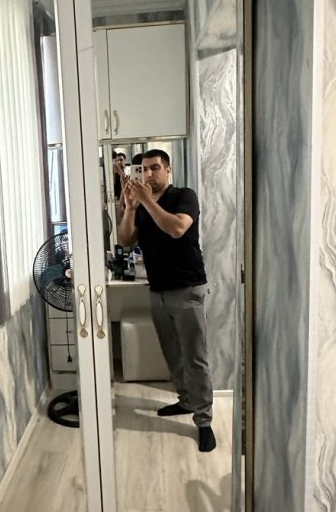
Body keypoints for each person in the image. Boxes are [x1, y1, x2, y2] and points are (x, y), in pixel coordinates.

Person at [117, 148, 215, 452]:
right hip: (157, 290)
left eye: (155, 168)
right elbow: (125, 239)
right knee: (173, 353)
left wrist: (147, 201)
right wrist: (131, 208)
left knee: (195, 358)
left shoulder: (184, 196)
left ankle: (204, 421)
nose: (148, 174)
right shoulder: (141, 205)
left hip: (187, 289)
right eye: (143, 169)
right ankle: (186, 401)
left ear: (168, 170)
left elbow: (177, 228)